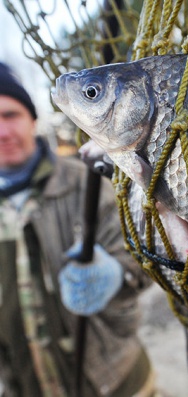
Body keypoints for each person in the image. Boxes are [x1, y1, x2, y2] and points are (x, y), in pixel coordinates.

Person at [0, 62, 155, 396]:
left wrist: (117, 272)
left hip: (121, 383)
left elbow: (149, 258)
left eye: (10, 115)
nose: (2, 132)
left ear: (32, 118)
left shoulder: (89, 181)